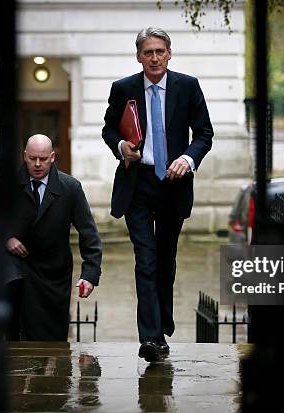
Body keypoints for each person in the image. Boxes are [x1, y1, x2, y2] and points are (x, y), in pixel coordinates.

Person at [102, 27, 213, 361]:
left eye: (159, 51)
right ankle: (151, 337)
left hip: (173, 183)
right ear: (139, 56)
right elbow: (108, 128)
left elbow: (205, 133)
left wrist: (187, 158)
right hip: (138, 183)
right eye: (147, 52)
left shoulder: (188, 86)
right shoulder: (124, 89)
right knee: (145, 261)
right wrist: (121, 146)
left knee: (166, 260)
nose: (154, 57)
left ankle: (161, 324)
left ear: (169, 53)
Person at [0, 134, 102, 341]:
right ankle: (16, 367)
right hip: (18, 265)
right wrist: (7, 238)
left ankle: (53, 371)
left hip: (53, 271)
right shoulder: (7, 185)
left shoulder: (70, 188)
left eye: (43, 159)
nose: (37, 164)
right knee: (15, 325)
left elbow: (88, 233)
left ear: (52, 157)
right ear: (24, 156)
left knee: (51, 335)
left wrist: (90, 274)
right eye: (32, 158)